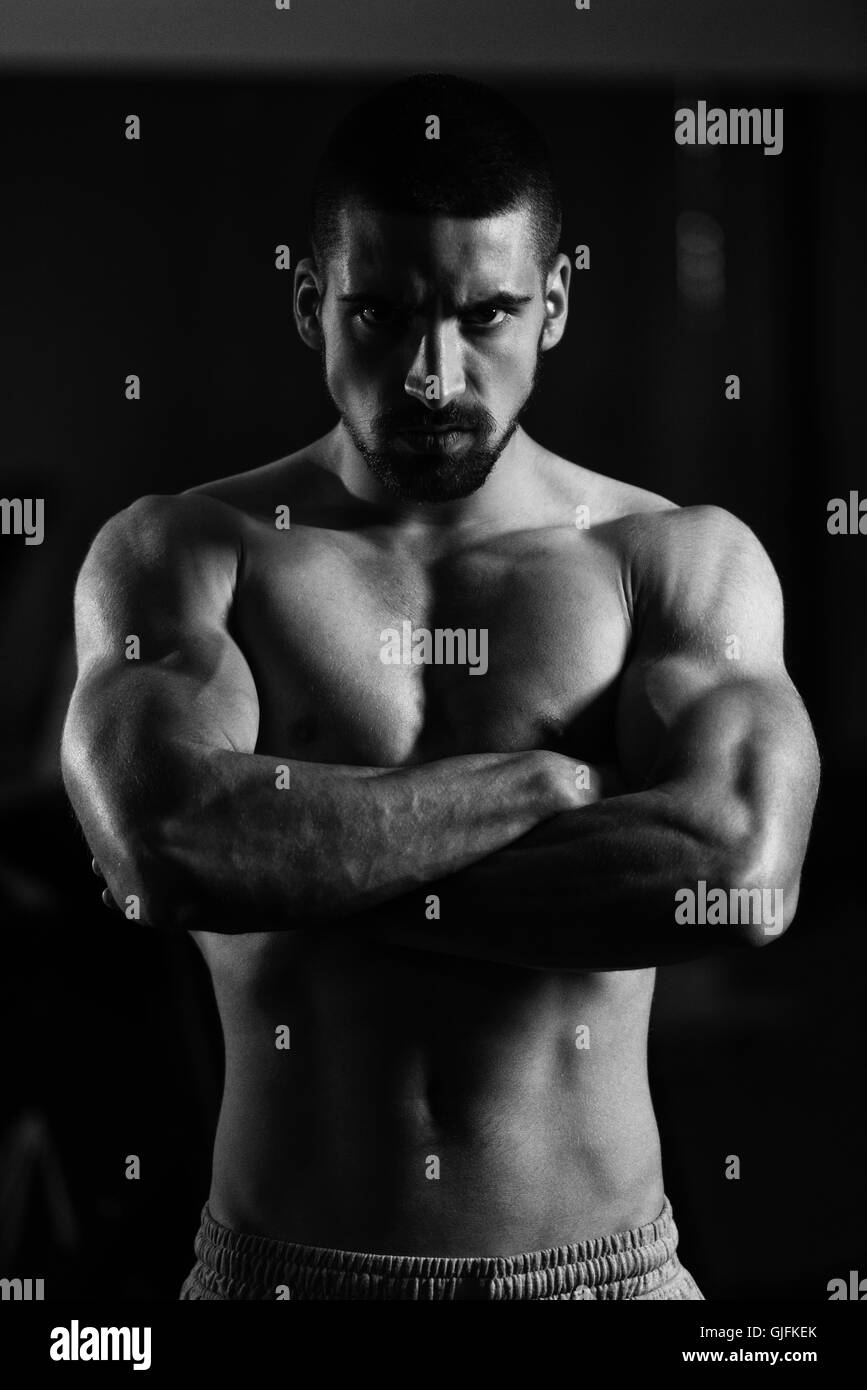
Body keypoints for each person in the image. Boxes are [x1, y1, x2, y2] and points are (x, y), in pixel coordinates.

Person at [61, 74, 819, 1300]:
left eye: (486, 315)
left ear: (556, 304)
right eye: (382, 316)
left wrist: (297, 860)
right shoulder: (189, 556)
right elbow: (168, 846)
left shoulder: (674, 561)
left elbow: (737, 880)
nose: (432, 372)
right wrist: (548, 784)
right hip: (281, 1275)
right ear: (312, 307)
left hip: (603, 1278)